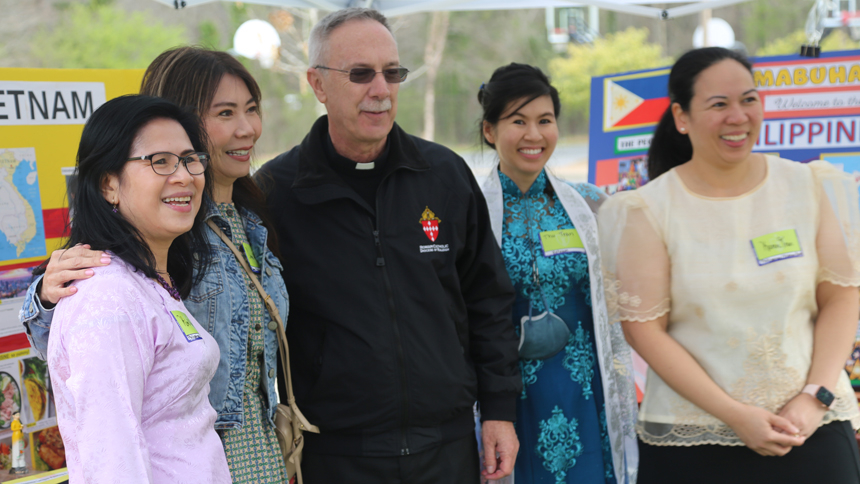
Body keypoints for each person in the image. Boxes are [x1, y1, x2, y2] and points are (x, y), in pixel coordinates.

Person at [253, 7, 521, 483]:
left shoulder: (444, 175)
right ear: (317, 84)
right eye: (360, 74)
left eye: (392, 73)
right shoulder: (275, 192)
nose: (381, 90)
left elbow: (489, 300)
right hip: (337, 456)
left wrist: (499, 409)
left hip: (447, 448)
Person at [20, 47, 291, 483]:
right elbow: (110, 440)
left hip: (257, 457)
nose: (246, 128)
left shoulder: (249, 223)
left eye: (252, 109)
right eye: (225, 113)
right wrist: (45, 297)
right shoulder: (129, 267)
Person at [598, 46, 860, 484]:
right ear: (682, 118)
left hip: (811, 429)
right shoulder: (646, 209)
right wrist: (735, 415)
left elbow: (842, 295)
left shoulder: (813, 186)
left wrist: (815, 397)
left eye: (749, 99)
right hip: (697, 442)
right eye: (718, 104)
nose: (737, 116)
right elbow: (644, 328)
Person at [46, 95, 231, 483]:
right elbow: (112, 461)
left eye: (189, 158)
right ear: (109, 185)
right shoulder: (107, 297)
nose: (183, 175)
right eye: (159, 161)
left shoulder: (148, 282)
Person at [477, 63, 638, 484]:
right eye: (518, 121)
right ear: (490, 131)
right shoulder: (469, 211)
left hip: (585, 390)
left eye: (545, 121)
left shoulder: (589, 205)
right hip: (510, 397)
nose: (534, 135)